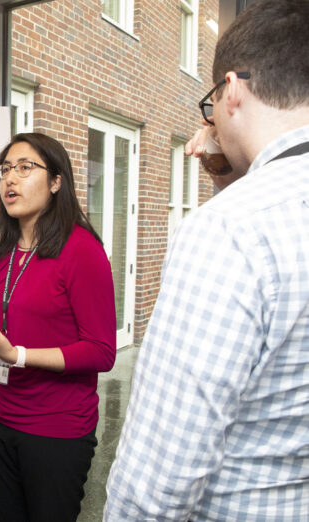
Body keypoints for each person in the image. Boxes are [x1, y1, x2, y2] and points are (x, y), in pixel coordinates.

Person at [105, 1, 309, 520]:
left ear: (232, 90)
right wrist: (232, 177)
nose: (211, 118)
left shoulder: (229, 230)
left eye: (211, 102)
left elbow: (160, 478)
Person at [0, 132, 116, 522]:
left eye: (25, 168)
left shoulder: (82, 250)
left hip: (54, 428)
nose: (10, 179)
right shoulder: (10, 247)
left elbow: (101, 350)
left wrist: (19, 356)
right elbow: (18, 316)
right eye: (6, 170)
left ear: (56, 181)